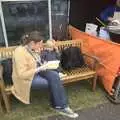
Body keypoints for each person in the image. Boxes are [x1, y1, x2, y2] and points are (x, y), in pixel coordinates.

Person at [11, 31, 78, 118]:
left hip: (37, 71)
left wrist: (43, 64)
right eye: (40, 44)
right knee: (52, 82)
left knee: (55, 76)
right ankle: (59, 106)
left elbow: (35, 61)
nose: (41, 46)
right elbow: (22, 74)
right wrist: (38, 68)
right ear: (32, 43)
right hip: (27, 79)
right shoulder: (20, 52)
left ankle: (62, 106)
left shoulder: (31, 48)